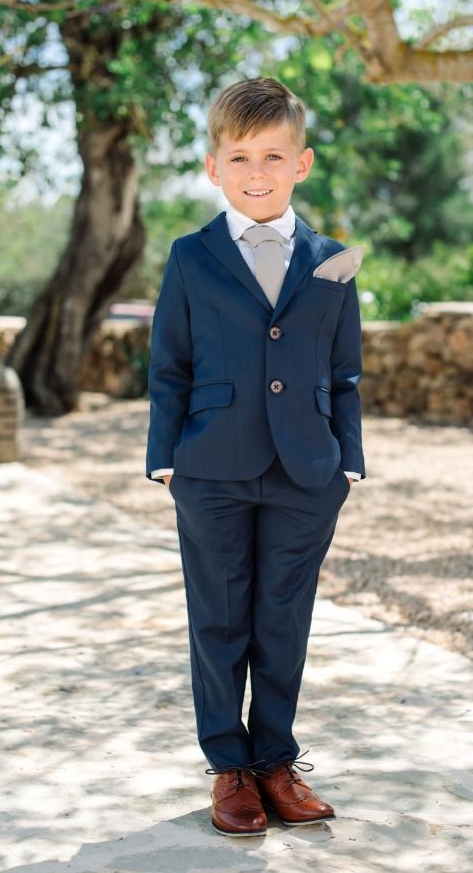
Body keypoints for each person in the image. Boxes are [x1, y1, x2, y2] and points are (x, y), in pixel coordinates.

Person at [145, 76, 366, 837]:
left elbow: (344, 372)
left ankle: (275, 760)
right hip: (210, 469)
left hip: (308, 471)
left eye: (273, 155)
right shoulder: (190, 256)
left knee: (284, 619)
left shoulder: (333, 261)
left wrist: (349, 462)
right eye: (240, 157)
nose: (257, 171)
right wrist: (164, 460)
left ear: (301, 163)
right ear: (214, 167)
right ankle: (230, 769)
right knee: (219, 621)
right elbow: (169, 366)